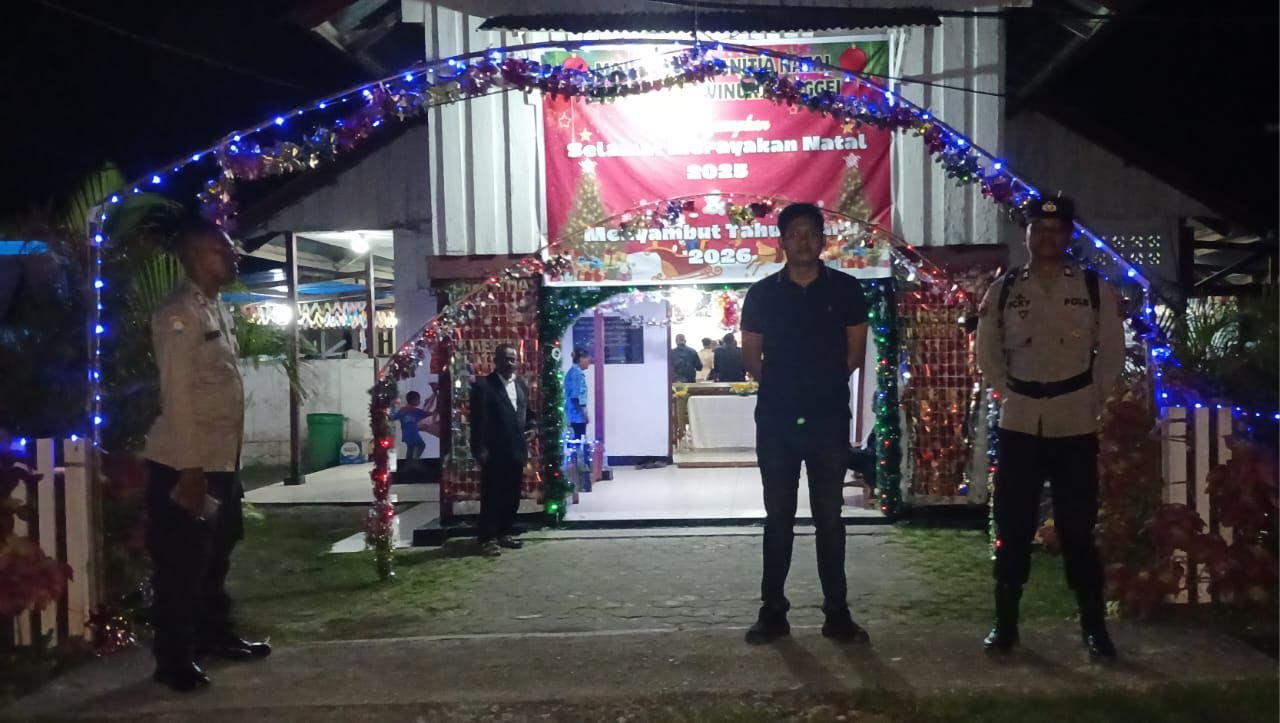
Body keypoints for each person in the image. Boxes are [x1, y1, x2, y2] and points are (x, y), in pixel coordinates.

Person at [975, 195, 1125, 661]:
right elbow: (987, 350)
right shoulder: (1005, 289)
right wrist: (1009, 392)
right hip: (1020, 420)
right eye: (1039, 229)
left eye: (1056, 230)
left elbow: (1112, 353)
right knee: (1013, 525)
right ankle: (1005, 625)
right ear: (1027, 235)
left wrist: (1092, 398)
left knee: (1078, 529)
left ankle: (1095, 629)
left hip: (1074, 421)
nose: (1047, 237)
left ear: (1068, 236)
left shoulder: (1094, 288)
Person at [142, 217, 270, 693]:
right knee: (182, 564)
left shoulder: (214, 309)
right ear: (196, 257)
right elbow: (178, 397)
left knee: (217, 555)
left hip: (219, 461)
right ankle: (174, 660)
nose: (233, 257)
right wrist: (190, 469)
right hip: (186, 464)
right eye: (223, 250)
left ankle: (214, 636)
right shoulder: (180, 314)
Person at [740, 202, 869, 645]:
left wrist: (820, 387)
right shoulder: (762, 295)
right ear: (782, 241)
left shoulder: (847, 290)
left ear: (822, 240)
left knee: (830, 518)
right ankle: (773, 611)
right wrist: (785, 389)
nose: (803, 240)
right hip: (777, 422)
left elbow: (855, 353)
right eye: (794, 232)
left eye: (811, 232)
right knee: (778, 517)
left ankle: (837, 613)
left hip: (828, 419)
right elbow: (751, 357)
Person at [470, 344, 536, 557]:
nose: (510, 363)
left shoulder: (521, 385)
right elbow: (477, 421)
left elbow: (528, 413)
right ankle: (488, 538)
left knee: (512, 495)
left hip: (516, 451)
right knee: (492, 495)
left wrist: (533, 427)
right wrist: (480, 450)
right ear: (495, 361)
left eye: (513, 359)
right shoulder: (483, 387)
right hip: (493, 452)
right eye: (505, 358)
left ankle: (505, 532)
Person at [391, 391, 429, 460]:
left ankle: (409, 465)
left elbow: (392, 417)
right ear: (414, 400)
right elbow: (429, 414)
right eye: (418, 399)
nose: (419, 401)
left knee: (410, 455)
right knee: (417, 452)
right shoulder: (416, 411)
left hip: (408, 438)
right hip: (415, 439)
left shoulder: (403, 410)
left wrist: (393, 406)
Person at [564, 349, 591, 439]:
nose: (589, 361)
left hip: (571, 415)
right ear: (580, 359)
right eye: (586, 358)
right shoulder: (577, 374)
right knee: (579, 441)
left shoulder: (571, 372)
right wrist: (584, 413)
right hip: (577, 416)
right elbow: (576, 396)